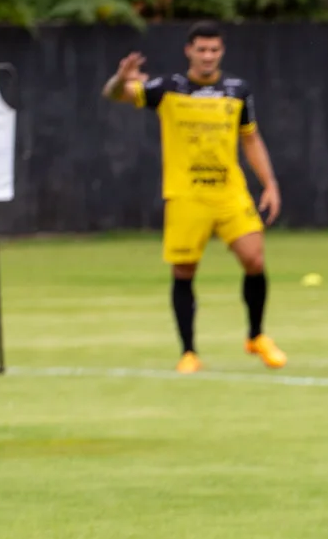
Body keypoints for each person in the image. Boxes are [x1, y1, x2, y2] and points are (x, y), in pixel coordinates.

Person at [102, 22, 288, 373]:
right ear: (189, 51)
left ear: (222, 52)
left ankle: (256, 336)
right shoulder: (167, 87)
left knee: (255, 259)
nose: (207, 56)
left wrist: (270, 183)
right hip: (186, 193)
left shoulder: (236, 90)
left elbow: (251, 139)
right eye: (201, 49)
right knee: (184, 271)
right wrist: (119, 78)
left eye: (214, 50)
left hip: (229, 191)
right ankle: (189, 352)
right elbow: (115, 93)